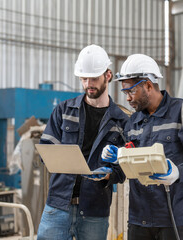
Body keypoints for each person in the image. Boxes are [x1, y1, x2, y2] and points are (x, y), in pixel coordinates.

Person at [102, 54, 183, 240]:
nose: (127, 98)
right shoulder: (133, 121)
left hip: (173, 218)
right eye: (125, 93)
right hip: (139, 218)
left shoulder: (182, 112)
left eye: (130, 92)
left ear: (148, 85)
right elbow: (131, 167)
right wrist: (114, 164)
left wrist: (176, 172)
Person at [37, 44, 128, 240]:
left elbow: (124, 168)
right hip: (58, 204)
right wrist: (57, 158)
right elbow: (46, 149)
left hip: (94, 209)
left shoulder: (122, 122)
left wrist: (109, 175)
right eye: (84, 79)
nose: (88, 84)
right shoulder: (64, 110)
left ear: (108, 75)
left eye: (93, 78)